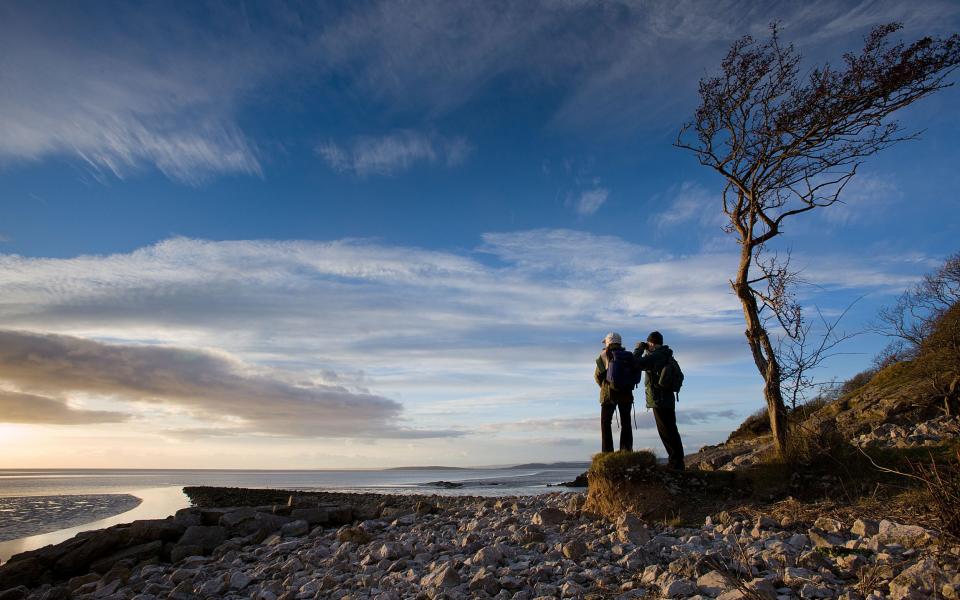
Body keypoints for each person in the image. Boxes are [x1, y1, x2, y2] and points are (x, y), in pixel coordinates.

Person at [634, 331, 685, 470]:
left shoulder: (657, 355)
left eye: (648, 343)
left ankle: (676, 463)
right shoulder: (665, 354)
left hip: (659, 399)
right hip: (667, 399)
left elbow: (636, 363)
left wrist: (639, 349)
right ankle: (677, 462)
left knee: (666, 432)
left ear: (651, 343)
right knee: (671, 430)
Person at [594, 332, 634, 453]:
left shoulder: (604, 356)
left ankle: (607, 452)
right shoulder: (629, 356)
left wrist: (605, 386)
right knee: (626, 422)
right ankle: (626, 450)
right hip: (626, 394)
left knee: (606, 423)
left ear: (608, 342)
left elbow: (597, 376)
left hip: (608, 394)